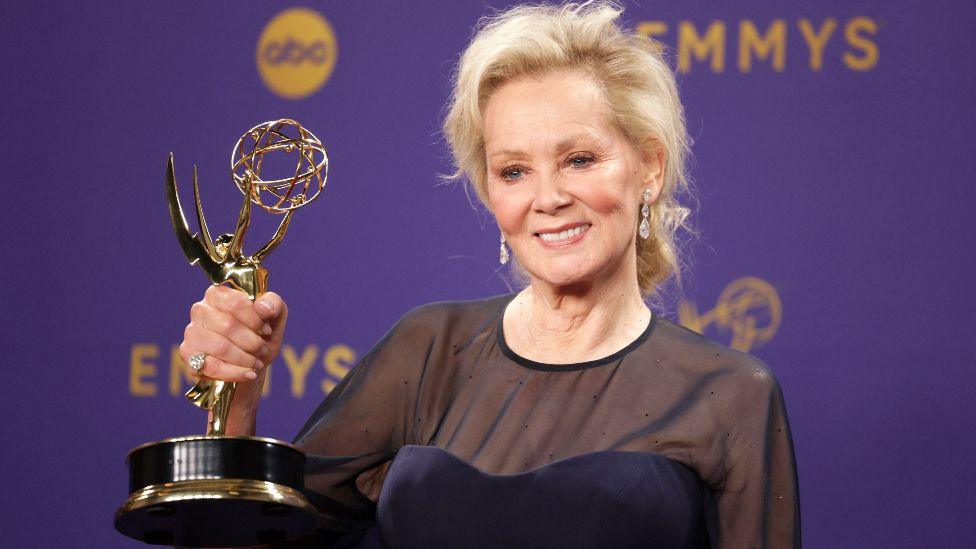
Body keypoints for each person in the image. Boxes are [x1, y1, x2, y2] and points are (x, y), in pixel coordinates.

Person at [179, 2, 800, 547]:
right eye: (513, 171)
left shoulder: (730, 394)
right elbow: (257, 542)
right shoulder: (428, 352)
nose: (548, 197)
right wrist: (239, 395)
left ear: (650, 169)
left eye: (579, 159)